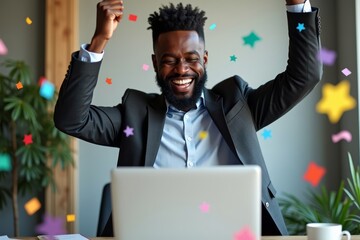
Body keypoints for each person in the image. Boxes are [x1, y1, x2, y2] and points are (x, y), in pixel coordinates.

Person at [54, 0, 322, 236]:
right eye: (169, 60)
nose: (181, 69)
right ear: (156, 63)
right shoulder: (134, 115)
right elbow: (71, 119)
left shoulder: (238, 106)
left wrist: (296, 4)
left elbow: (304, 77)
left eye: (191, 58)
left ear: (204, 59)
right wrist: (99, 40)